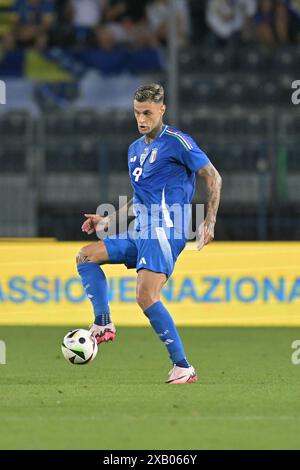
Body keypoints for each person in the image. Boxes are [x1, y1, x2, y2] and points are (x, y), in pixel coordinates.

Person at [76, 83, 222, 384]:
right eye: (136, 113)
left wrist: (209, 220)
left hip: (167, 229)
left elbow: (213, 176)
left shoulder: (177, 141)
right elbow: (137, 201)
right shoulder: (134, 150)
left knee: (145, 295)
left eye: (147, 113)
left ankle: (183, 367)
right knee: (86, 256)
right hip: (141, 227)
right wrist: (107, 222)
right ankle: (102, 323)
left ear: (161, 110)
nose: (141, 119)